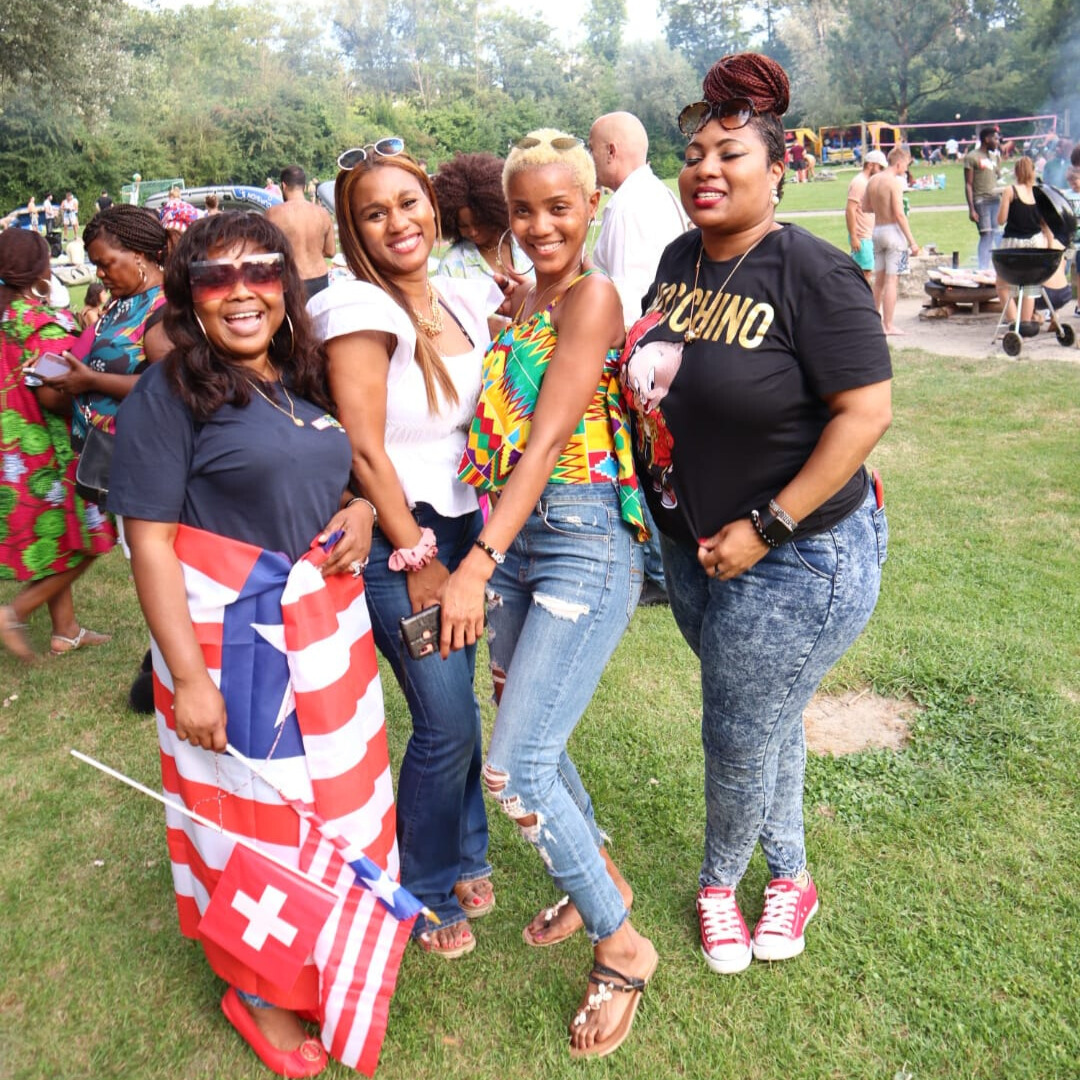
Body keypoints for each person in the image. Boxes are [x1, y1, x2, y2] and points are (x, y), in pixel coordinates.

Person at [621, 51, 891, 979]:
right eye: (694, 153)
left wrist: (767, 526)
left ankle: (719, 886)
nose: (705, 168)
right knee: (764, 715)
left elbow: (866, 414)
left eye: (730, 153)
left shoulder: (813, 271)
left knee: (736, 734)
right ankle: (793, 874)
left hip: (793, 558)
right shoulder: (679, 260)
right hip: (695, 547)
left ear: (777, 170)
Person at [108, 212, 384, 1078]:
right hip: (233, 656)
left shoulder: (295, 373)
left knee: (324, 811)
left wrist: (361, 510)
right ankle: (256, 988)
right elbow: (151, 543)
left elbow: (323, 474)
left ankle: (318, 955)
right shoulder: (168, 396)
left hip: (321, 642)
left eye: (258, 271)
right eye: (215, 277)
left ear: (284, 283)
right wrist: (188, 679)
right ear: (188, 294)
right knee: (251, 824)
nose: (240, 293)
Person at [444, 129, 657, 1059]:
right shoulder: (524, 299)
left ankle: (622, 942)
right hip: (523, 540)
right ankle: (595, 872)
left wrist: (478, 560)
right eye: (524, 210)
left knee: (515, 768)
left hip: (579, 539)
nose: (540, 226)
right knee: (533, 737)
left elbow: (545, 441)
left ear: (590, 207)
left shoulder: (592, 296)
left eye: (559, 207)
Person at [309, 142, 500, 959]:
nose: (397, 223)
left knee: (460, 704)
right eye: (373, 214)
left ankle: (467, 851)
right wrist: (419, 557)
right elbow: (362, 447)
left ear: (433, 203)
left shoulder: (456, 297)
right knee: (444, 720)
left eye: (408, 202)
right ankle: (421, 887)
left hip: (463, 524)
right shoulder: (358, 309)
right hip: (402, 537)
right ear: (352, 231)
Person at [588, 110, 688, 607]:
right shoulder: (653, 194)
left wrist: (606, 356)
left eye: (592, 150)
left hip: (641, 354)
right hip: (662, 349)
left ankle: (659, 572)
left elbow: (628, 298)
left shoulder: (629, 205)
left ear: (611, 151)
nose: (590, 160)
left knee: (643, 457)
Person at [0, 228, 114, 661]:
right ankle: (14, 612)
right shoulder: (44, 323)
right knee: (90, 539)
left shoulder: (5, 319)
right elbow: (59, 393)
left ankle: (65, 631)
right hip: (47, 450)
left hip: (11, 452)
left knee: (57, 538)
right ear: (42, 272)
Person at [43, 205, 169, 453]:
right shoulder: (124, 300)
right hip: (98, 454)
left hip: (135, 456)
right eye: (95, 265)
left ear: (137, 254)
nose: (99, 274)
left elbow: (170, 389)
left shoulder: (166, 310)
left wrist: (92, 381)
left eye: (105, 263)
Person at [431, 152, 528, 280]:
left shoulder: (527, 244)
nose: (472, 232)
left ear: (494, 215)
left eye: (478, 223)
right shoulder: (451, 264)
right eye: (463, 226)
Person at [864, 145, 919, 334]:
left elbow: (865, 207)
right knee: (892, 281)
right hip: (894, 233)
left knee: (878, 281)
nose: (906, 169)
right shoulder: (894, 183)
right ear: (899, 163)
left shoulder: (873, 180)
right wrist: (912, 242)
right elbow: (899, 214)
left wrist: (880, 207)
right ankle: (888, 325)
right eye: (906, 165)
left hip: (877, 231)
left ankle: (873, 324)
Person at [995, 156, 1054, 331]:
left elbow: (1001, 220)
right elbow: (1045, 224)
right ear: (1033, 171)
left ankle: (1014, 321)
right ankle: (1026, 324)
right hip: (1035, 244)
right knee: (1030, 286)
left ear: (1016, 172)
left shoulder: (1010, 191)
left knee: (1002, 285)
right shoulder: (1040, 193)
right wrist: (1050, 245)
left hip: (1013, 245)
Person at [266, 165, 335, 299]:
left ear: (283, 186)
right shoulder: (323, 213)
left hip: (291, 279)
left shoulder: (272, 214)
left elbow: (267, 253)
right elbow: (331, 251)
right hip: (319, 278)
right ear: (304, 187)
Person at [846, 149, 888, 283]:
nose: (881, 171)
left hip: (867, 235)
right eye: (880, 167)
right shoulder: (860, 183)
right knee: (864, 273)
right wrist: (854, 236)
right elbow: (850, 209)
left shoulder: (867, 182)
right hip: (862, 236)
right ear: (870, 165)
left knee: (865, 272)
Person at [964, 127, 1002, 271]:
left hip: (995, 200)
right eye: (995, 139)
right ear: (987, 139)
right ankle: (983, 268)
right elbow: (968, 184)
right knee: (986, 234)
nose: (997, 142)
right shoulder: (972, 157)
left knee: (996, 234)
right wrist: (971, 209)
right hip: (981, 201)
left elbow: (998, 176)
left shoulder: (994, 157)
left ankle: (1000, 268)